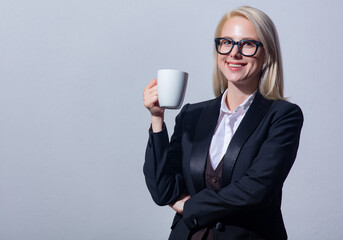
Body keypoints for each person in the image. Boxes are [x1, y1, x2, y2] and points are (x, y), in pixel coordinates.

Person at [143, 6, 303, 240]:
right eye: (226, 42)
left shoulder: (283, 116)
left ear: (267, 54)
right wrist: (157, 118)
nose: (234, 53)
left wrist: (190, 207)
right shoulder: (192, 114)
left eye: (248, 44)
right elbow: (163, 190)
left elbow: (256, 190)